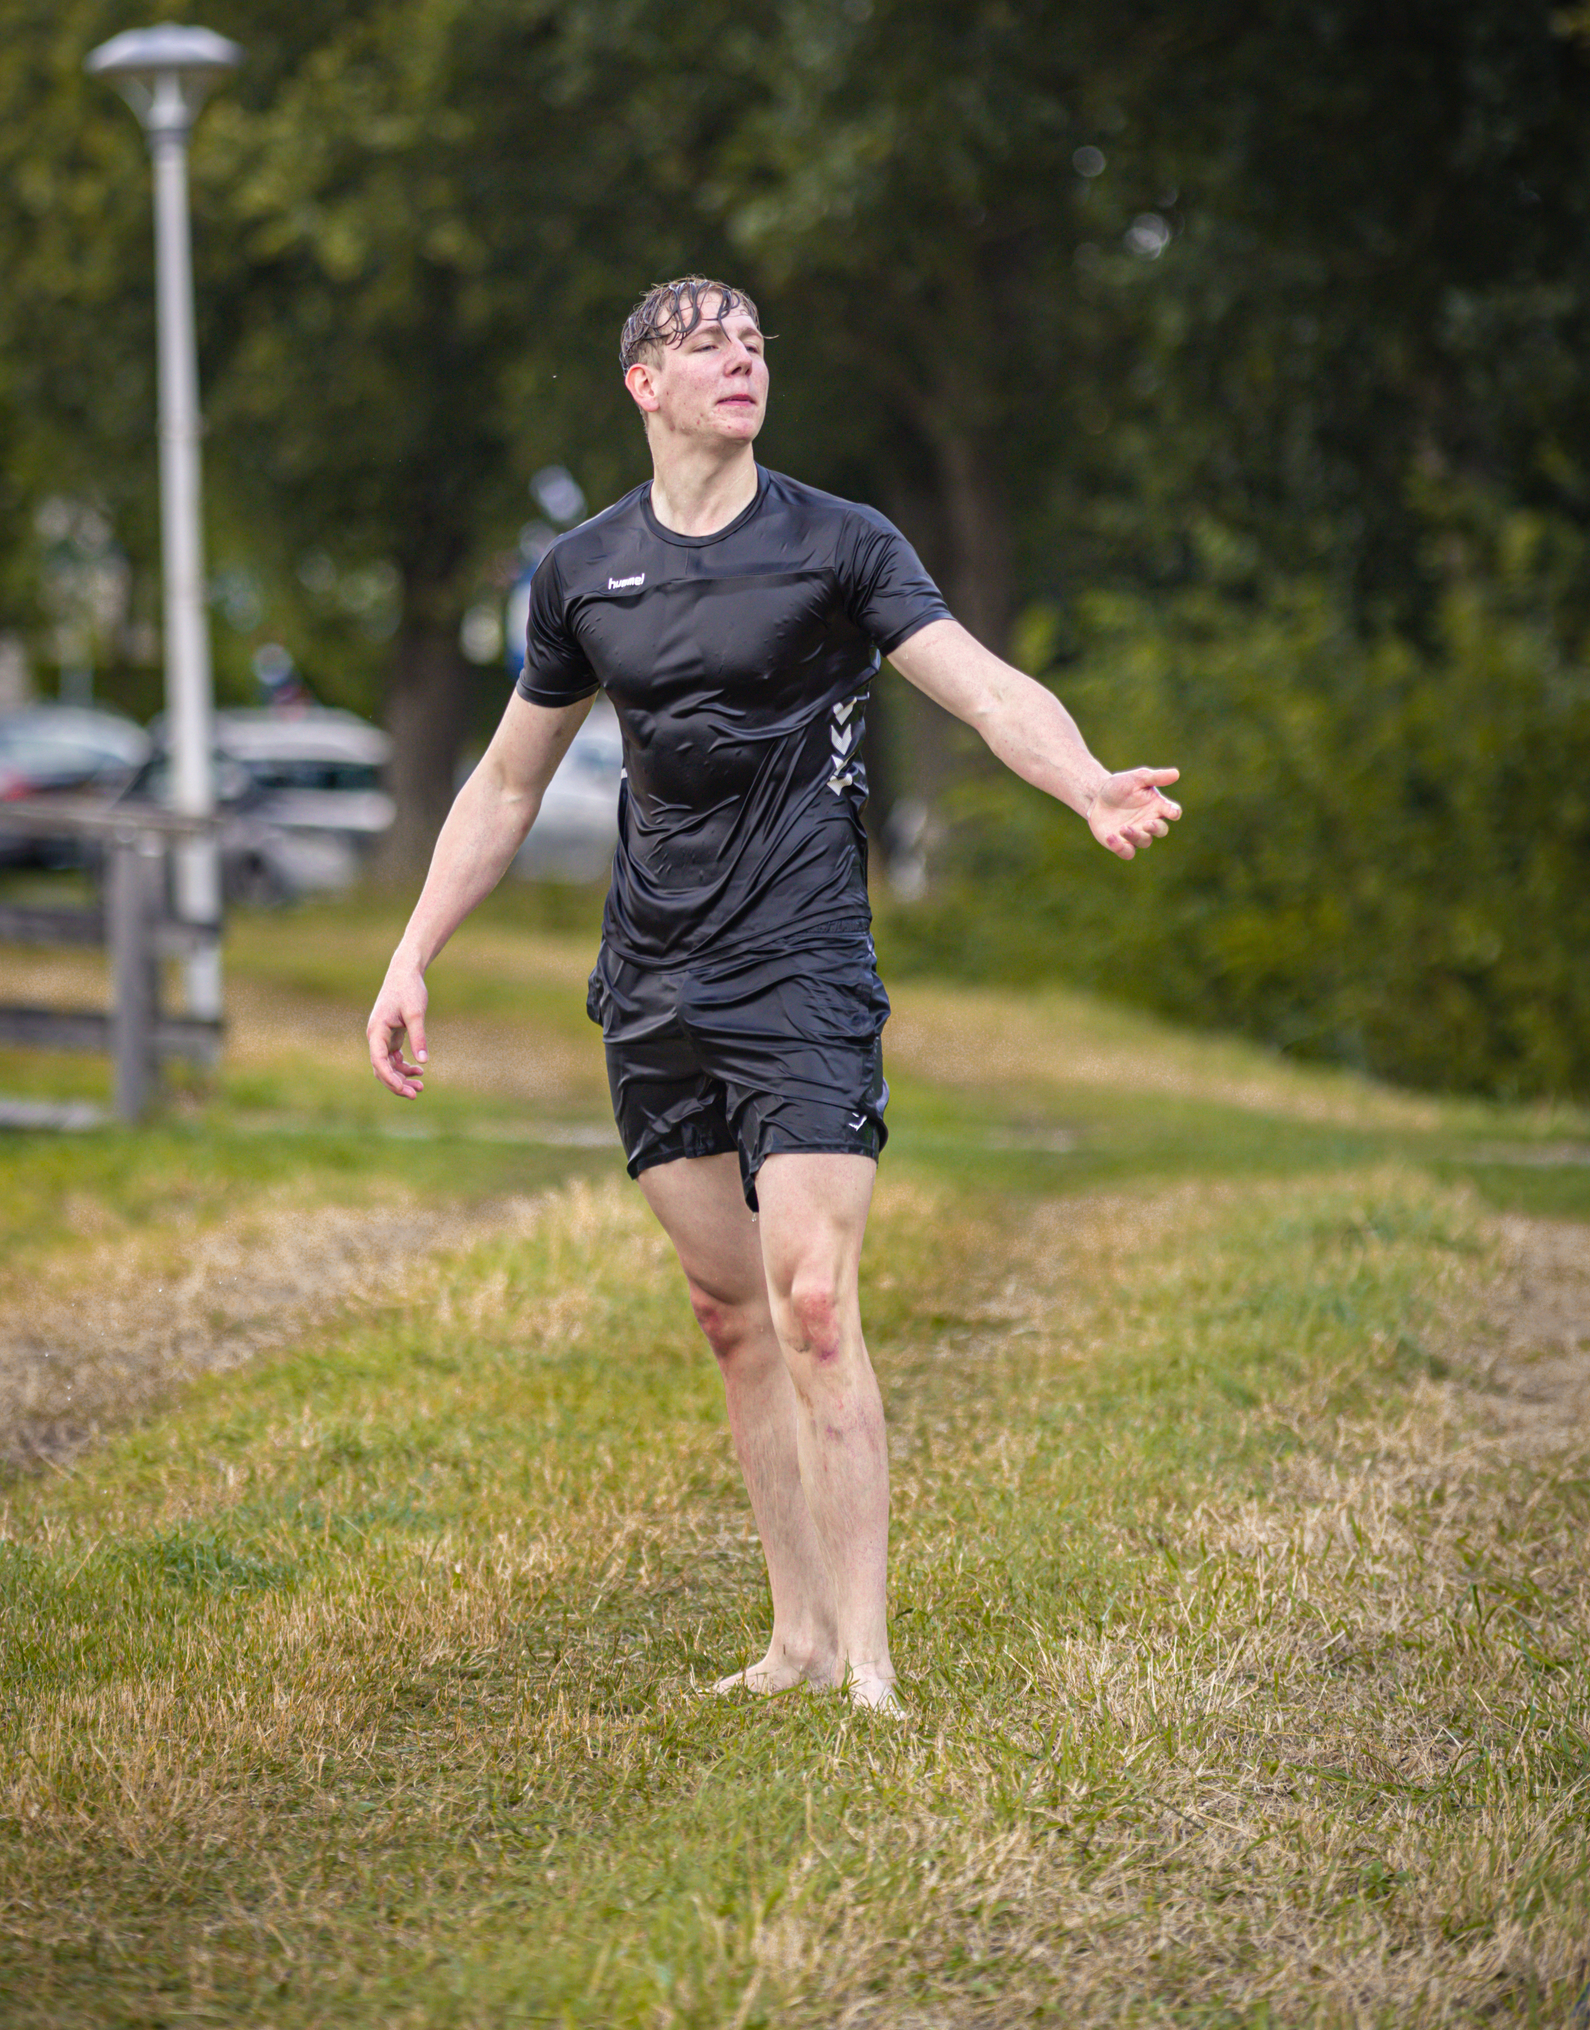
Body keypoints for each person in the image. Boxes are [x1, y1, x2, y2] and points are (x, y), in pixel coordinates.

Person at [366, 279, 1180, 1712]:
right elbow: (506, 781)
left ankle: (869, 1664)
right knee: (729, 1311)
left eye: (753, 341)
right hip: (654, 978)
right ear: (643, 385)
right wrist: (412, 953)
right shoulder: (583, 573)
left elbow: (983, 688)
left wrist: (1083, 778)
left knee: (812, 1302)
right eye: (704, 342)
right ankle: (796, 1640)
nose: (740, 358)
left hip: (802, 962)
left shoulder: (840, 544)